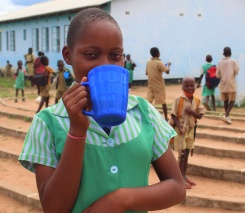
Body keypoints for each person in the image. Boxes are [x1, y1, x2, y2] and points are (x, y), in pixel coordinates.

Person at [19, 8, 185, 213]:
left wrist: (122, 199)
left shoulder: (144, 112)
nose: (105, 65)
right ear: (68, 55)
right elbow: (54, 209)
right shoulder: (47, 123)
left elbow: (177, 187)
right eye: (91, 55)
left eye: (115, 55)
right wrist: (77, 131)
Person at [170, 76, 206, 189]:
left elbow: (200, 115)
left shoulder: (196, 100)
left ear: (195, 86)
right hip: (180, 131)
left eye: (192, 85)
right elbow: (173, 115)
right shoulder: (178, 99)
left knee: (186, 154)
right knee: (182, 155)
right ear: (182, 86)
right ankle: (179, 179)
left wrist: (192, 112)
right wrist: (180, 127)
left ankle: (184, 176)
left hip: (190, 131)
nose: (190, 88)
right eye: (187, 86)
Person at [146, 47, 171, 121]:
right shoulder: (159, 62)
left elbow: (146, 73)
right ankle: (166, 117)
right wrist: (168, 65)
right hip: (159, 84)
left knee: (148, 102)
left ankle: (147, 116)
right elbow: (167, 71)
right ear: (158, 54)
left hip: (151, 84)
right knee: (163, 101)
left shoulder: (148, 62)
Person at [216, 47, 240, 124]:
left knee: (225, 100)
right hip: (231, 83)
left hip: (223, 83)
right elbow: (237, 71)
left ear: (223, 53)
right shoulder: (233, 61)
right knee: (232, 100)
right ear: (230, 53)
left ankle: (227, 116)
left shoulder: (220, 62)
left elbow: (217, 75)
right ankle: (226, 115)